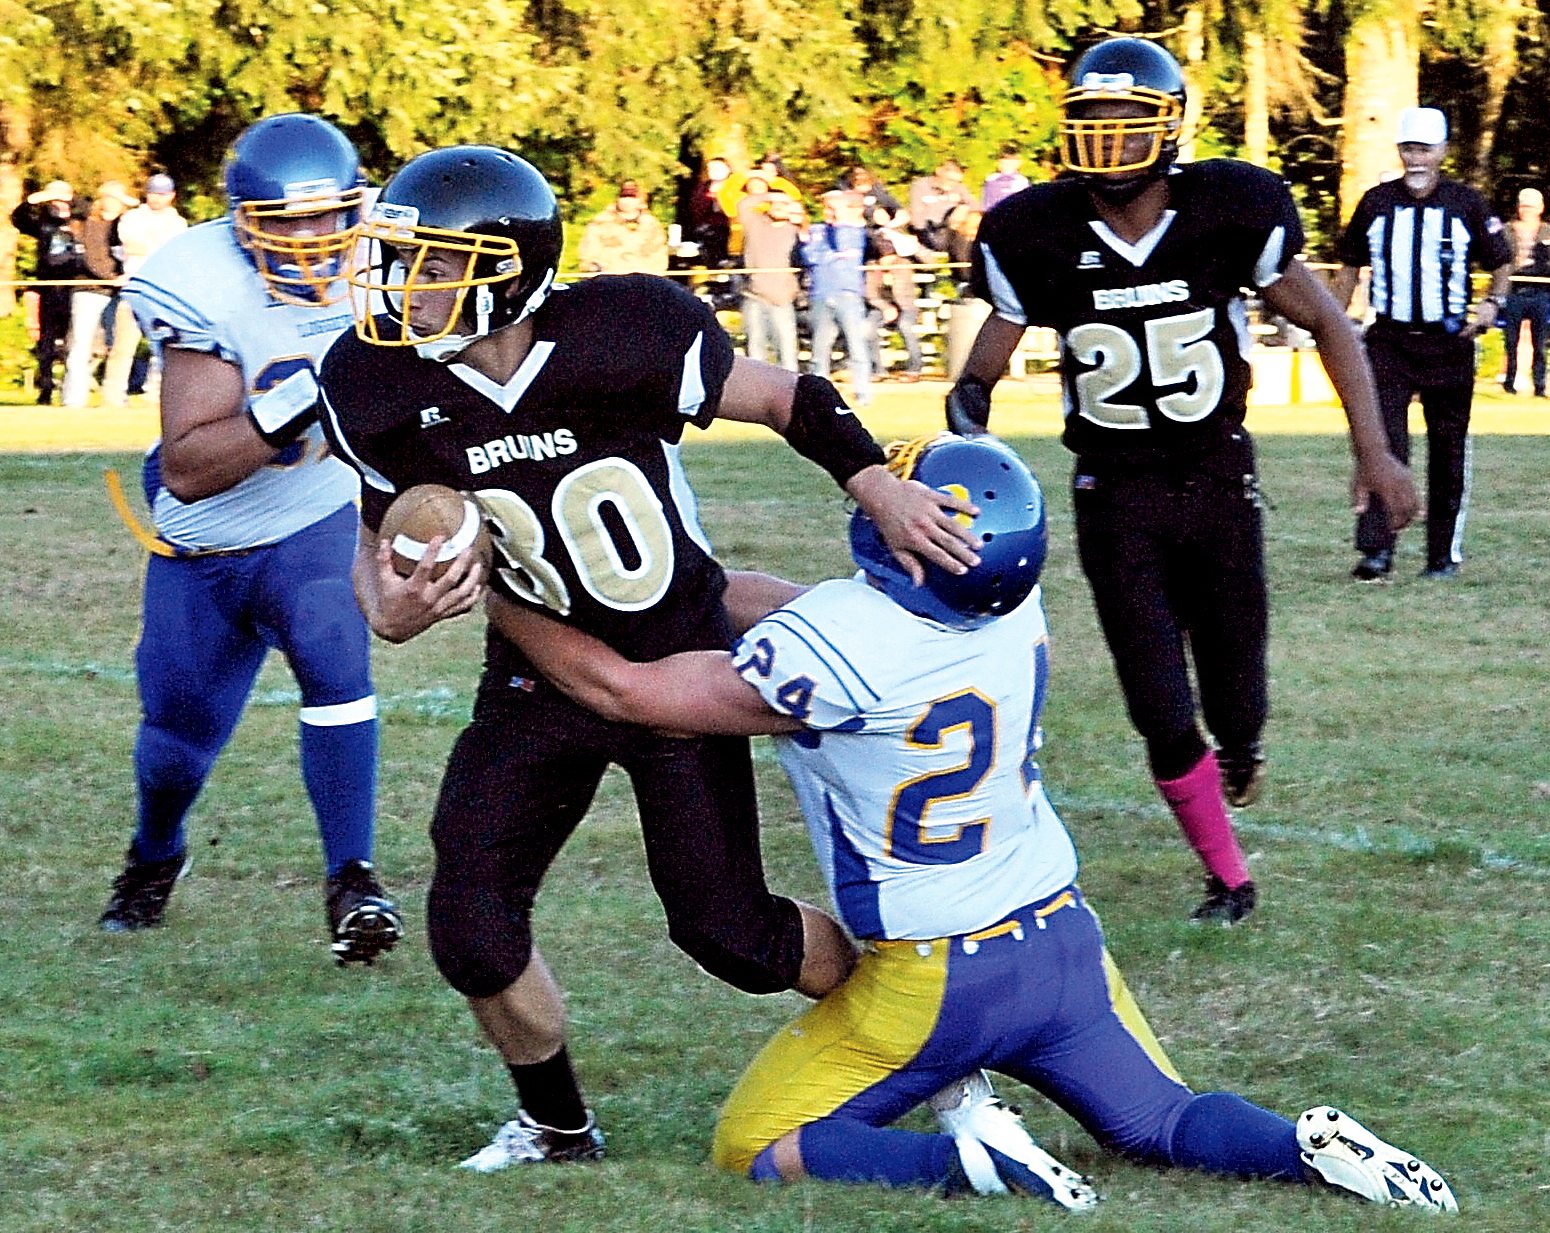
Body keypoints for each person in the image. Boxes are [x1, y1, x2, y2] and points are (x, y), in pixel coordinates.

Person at [490, 431, 1457, 1214]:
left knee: (753, 1143)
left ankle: (970, 1165)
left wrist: (504, 594)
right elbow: (785, 609)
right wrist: (692, 583)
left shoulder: (839, 646)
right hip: (1062, 939)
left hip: (934, 978)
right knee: (1164, 1119)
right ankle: (1303, 1150)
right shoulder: (1006, 608)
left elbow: (617, 689)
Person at [314, 145, 979, 1171]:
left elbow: (785, 397)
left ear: (507, 266)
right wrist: (395, 603)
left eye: (434, 262)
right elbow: (378, 575)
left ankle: (937, 1027)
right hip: (538, 673)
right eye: (402, 259)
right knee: (471, 927)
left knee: (732, 936)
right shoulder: (372, 380)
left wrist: (874, 485)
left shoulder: (623, 329)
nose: (407, 284)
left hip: (679, 663)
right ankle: (556, 1126)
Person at [943, 37, 1420, 923]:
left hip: (1214, 477)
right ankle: (1228, 876)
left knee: (1237, 693)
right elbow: (989, 361)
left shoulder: (1229, 208)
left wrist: (1374, 450)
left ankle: (1240, 746)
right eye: (1094, 121)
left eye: (1129, 123)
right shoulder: (1033, 230)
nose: (1111, 141)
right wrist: (966, 417)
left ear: (1167, 129)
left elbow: (1329, 324)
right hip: (1113, 492)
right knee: (1159, 700)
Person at [97, 114, 401, 969]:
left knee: (332, 641)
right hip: (207, 545)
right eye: (286, 223)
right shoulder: (201, 280)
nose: (311, 241)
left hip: (313, 516)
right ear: (240, 221)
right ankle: (156, 853)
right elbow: (191, 468)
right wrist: (291, 401)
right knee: (174, 744)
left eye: (325, 217)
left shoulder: (389, 256)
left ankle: (354, 878)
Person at [1333, 106, 1513, 582]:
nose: (1415, 158)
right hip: (1389, 341)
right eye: (1408, 148)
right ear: (1399, 149)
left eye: (1424, 149)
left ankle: (1441, 555)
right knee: (1381, 444)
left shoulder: (1467, 204)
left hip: (1449, 342)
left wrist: (1492, 304)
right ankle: (1376, 551)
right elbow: (1349, 264)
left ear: (1443, 152)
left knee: (1448, 450)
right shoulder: (1375, 203)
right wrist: (1335, 321)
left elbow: (1501, 260)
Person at [101, 172, 189, 407]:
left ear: (171, 196)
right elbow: (133, 245)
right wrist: (157, 245)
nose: (156, 198)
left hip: (164, 292)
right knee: (122, 347)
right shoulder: (131, 217)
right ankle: (112, 398)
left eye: (161, 194)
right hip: (135, 288)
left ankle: (156, 395)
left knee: (164, 347)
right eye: (152, 193)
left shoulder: (178, 222)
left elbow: (172, 252)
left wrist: (151, 245)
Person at [62, 180, 138, 407]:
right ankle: (74, 399)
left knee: (120, 346)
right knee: (80, 346)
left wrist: (123, 278)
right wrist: (111, 278)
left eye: (117, 199)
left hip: (120, 292)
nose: (111, 202)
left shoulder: (127, 224)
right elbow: (91, 258)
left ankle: (115, 398)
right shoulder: (88, 223)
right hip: (90, 290)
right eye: (107, 197)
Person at [10, 179, 85, 405]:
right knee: (47, 342)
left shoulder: (81, 220)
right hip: (49, 288)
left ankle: (72, 390)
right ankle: (45, 388)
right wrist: (35, 199)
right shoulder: (43, 223)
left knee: (76, 341)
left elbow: (92, 209)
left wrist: (69, 198)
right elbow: (18, 218)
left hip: (77, 287)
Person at [803, 190, 879, 407]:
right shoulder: (817, 229)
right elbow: (810, 256)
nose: (831, 212)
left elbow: (844, 247)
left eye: (836, 208)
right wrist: (832, 257)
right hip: (821, 293)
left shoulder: (854, 231)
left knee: (857, 347)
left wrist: (830, 252)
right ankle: (820, 396)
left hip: (848, 294)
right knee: (820, 348)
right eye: (829, 207)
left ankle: (863, 394)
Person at [737, 189, 806, 371]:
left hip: (782, 298)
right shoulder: (755, 223)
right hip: (754, 295)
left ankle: (791, 390)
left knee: (787, 349)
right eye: (775, 204)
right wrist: (769, 195)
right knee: (755, 347)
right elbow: (743, 205)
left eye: (783, 204)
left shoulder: (796, 230)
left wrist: (801, 221)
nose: (778, 207)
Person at [1498, 186, 1549, 398]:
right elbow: (1498, 257)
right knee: (1511, 341)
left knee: (1540, 342)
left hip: (1540, 291)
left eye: (1531, 206)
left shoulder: (1548, 231)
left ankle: (1539, 385)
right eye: (1523, 206)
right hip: (1514, 291)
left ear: (1541, 208)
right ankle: (1509, 383)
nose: (1526, 210)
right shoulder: (1507, 229)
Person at [576, 180, 669, 275]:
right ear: (617, 199)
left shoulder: (652, 225)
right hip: (609, 280)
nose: (627, 201)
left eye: (632, 197)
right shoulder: (600, 223)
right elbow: (588, 255)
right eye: (623, 196)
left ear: (640, 200)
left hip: (644, 281)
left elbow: (660, 255)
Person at [909, 160, 977, 257]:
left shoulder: (958, 188)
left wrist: (964, 208)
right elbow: (917, 219)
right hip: (931, 233)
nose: (953, 184)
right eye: (950, 180)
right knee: (963, 242)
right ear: (939, 171)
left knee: (965, 214)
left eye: (957, 181)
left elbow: (976, 208)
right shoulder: (921, 186)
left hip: (955, 233)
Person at [982, 145, 1031, 212]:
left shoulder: (1022, 181)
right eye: (1003, 162)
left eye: (1010, 162)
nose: (1006, 165)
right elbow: (987, 203)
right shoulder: (991, 180)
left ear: (1018, 163)